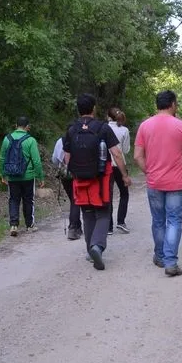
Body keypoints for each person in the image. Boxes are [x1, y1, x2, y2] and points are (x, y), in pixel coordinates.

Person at [63, 93, 131, 270]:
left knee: (87, 213)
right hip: (100, 178)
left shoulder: (71, 129)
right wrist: (124, 174)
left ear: (78, 110)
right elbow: (116, 153)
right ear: (93, 108)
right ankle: (97, 246)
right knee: (102, 212)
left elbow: (67, 157)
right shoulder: (102, 128)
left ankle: (90, 251)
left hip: (80, 178)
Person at [134, 90, 182, 277]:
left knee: (158, 220)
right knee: (174, 221)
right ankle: (171, 262)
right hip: (176, 182)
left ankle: (160, 256)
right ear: (172, 104)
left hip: (154, 182)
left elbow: (137, 156)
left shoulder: (145, 126)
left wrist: (149, 172)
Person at [0, 117, 44, 236]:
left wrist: (3, 174)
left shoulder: (7, 139)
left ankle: (13, 225)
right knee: (28, 200)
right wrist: (40, 176)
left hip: (12, 176)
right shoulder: (31, 140)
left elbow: (2, 158)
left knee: (13, 200)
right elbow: (36, 161)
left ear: (16, 125)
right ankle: (29, 225)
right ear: (27, 127)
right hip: (28, 176)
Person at [52, 132, 83, 240]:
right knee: (76, 200)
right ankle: (73, 228)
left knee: (73, 200)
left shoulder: (60, 141)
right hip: (77, 173)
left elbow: (54, 159)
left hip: (64, 175)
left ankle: (77, 226)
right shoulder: (79, 140)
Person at [106, 107, 131, 234]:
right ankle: (121, 221)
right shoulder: (124, 130)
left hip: (107, 165)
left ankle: (108, 226)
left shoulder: (104, 128)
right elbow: (126, 150)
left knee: (108, 195)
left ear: (108, 117)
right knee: (124, 193)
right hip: (120, 165)